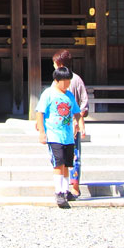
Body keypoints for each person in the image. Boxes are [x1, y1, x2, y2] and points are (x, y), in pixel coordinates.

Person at [35, 66, 84, 209]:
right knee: (58, 163)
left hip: (68, 135)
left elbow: (76, 111)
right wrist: (42, 132)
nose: (67, 84)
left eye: (68, 81)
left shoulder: (69, 96)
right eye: (64, 81)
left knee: (67, 164)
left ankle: (66, 190)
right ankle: (59, 192)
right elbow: (40, 112)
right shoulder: (48, 94)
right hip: (54, 134)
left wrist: (81, 125)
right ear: (57, 80)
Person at [52, 49, 90, 198]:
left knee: (74, 155)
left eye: (55, 64)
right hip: (60, 125)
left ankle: (75, 185)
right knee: (62, 156)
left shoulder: (76, 80)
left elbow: (84, 102)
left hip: (72, 123)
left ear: (60, 64)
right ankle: (63, 186)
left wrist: (79, 120)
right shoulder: (56, 81)